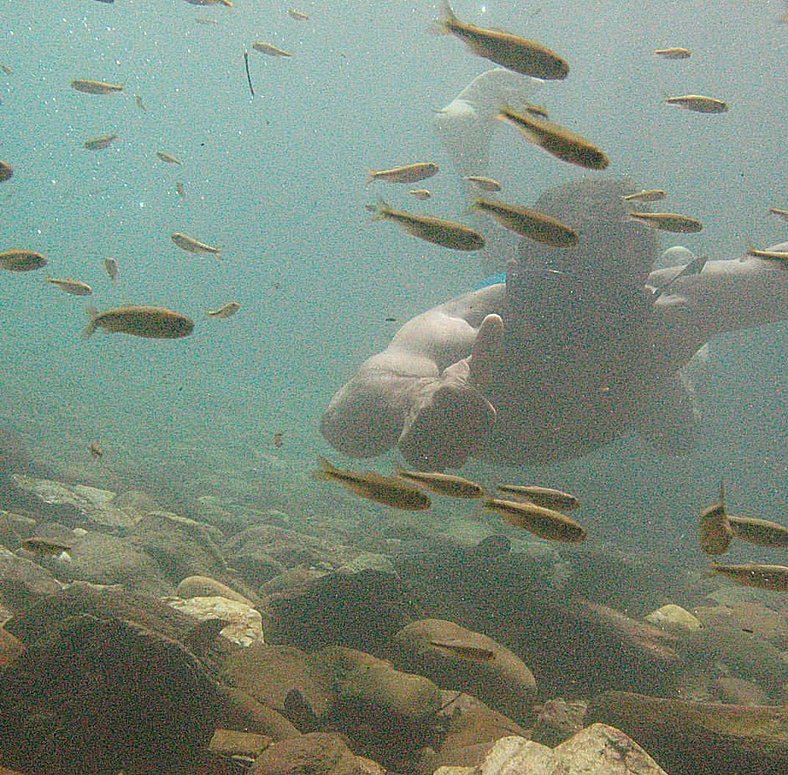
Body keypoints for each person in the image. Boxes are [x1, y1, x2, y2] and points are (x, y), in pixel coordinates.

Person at [320, 76, 788, 471]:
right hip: (573, 319)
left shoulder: (673, 311)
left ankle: (468, 148)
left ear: (641, 289)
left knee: (675, 437)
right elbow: (345, 424)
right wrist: (414, 397)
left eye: (597, 306)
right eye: (552, 296)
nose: (567, 329)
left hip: (621, 327)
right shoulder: (466, 332)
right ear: (518, 275)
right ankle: (469, 152)